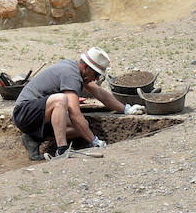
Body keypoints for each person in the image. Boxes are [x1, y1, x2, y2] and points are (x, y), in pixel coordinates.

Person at [12, 47, 146, 160]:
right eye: (96, 74)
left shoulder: (77, 70)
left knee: (82, 128)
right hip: (24, 113)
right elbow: (75, 114)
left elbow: (98, 92)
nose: (97, 78)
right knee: (61, 100)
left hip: (38, 117)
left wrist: (126, 109)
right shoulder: (71, 74)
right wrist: (94, 141)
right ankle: (62, 150)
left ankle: (34, 138)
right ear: (85, 67)